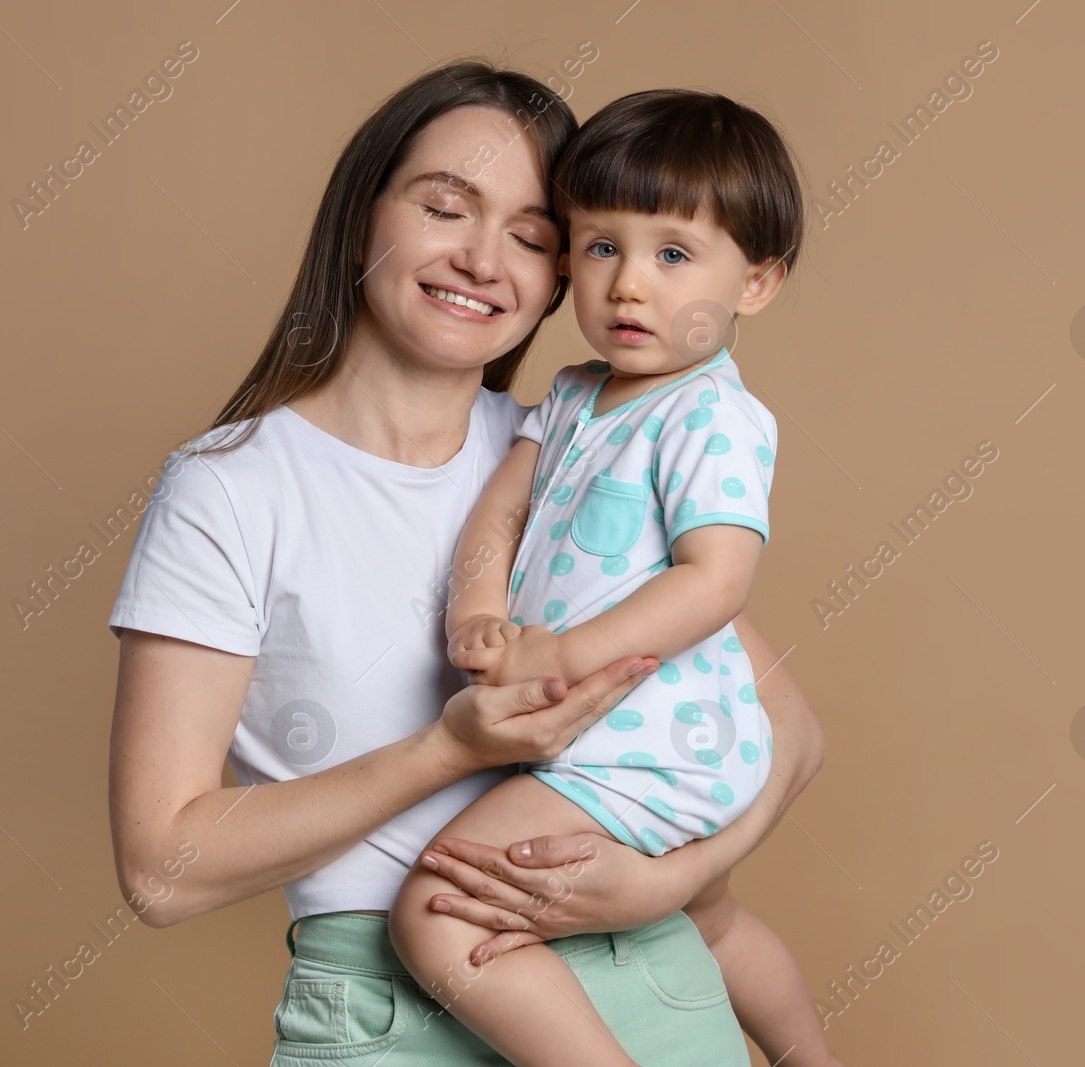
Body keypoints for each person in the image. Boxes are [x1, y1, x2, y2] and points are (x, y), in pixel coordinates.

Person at [105, 59, 826, 1066]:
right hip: (386, 1009)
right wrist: (447, 749)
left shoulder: (578, 446)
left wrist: (670, 883)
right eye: (446, 207)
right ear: (365, 213)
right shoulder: (231, 488)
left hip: (648, 982)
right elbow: (161, 869)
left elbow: (788, 729)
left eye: (533, 237)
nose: (485, 259)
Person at [387, 89, 843, 1067]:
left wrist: (562, 652)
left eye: (672, 255)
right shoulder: (575, 393)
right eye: (600, 248)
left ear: (755, 283)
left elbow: (714, 580)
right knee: (710, 921)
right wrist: (476, 609)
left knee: (437, 906)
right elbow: (500, 511)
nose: (629, 285)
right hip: (607, 736)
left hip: (651, 741)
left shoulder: (710, 416)